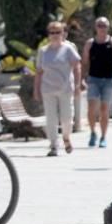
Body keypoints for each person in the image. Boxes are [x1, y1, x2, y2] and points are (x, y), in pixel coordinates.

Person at [33, 21, 82, 157]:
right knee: (51, 119)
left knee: (67, 118)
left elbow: (77, 67)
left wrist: (78, 85)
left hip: (65, 88)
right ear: (48, 34)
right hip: (48, 89)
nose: (55, 35)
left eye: (57, 32)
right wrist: (36, 89)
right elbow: (39, 71)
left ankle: (66, 137)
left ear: (63, 34)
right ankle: (54, 145)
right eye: (52, 32)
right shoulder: (43, 51)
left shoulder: (68, 49)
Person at [81, 17, 112, 148]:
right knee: (91, 107)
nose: (102, 28)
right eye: (99, 25)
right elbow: (84, 62)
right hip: (93, 79)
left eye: (104, 25)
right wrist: (82, 79)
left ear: (108, 27)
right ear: (95, 27)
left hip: (108, 79)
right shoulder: (90, 43)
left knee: (104, 108)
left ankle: (103, 137)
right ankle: (93, 132)